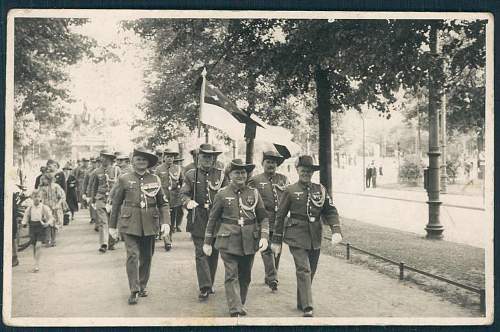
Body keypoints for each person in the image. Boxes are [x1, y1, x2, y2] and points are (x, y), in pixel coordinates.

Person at [271, 155, 342, 317]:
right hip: (296, 234)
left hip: (315, 235)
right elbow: (280, 216)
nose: (306, 174)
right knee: (304, 269)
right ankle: (308, 306)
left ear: (312, 172)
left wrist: (336, 230)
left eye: (309, 171)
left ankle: (301, 300)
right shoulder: (290, 190)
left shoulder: (320, 189)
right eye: (303, 170)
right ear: (297, 170)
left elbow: (330, 210)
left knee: (311, 270)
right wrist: (276, 240)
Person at [203, 159, 269, 317]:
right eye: (237, 172)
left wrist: (264, 236)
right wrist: (207, 242)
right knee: (231, 274)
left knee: (245, 275)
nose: (240, 175)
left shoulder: (253, 193)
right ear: (229, 174)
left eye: (243, 172)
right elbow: (212, 219)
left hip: (249, 240)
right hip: (228, 240)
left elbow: (263, 217)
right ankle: (235, 308)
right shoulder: (222, 193)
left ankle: (240, 303)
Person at [109, 147, 171, 305]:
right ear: (133, 161)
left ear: (149, 162)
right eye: (138, 159)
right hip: (129, 222)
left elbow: (163, 203)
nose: (141, 162)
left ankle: (142, 284)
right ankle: (134, 289)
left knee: (147, 256)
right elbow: (116, 204)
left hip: (150, 222)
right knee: (132, 255)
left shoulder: (155, 179)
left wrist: (166, 222)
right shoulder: (124, 178)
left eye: (144, 159)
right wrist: (112, 226)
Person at [180, 143, 227, 301]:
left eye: (210, 157)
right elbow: (183, 193)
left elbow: (228, 193)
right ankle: (205, 286)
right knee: (201, 252)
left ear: (214, 158)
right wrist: (188, 202)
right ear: (199, 157)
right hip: (198, 218)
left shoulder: (221, 174)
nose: (207, 159)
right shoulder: (191, 175)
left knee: (213, 252)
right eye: (204, 156)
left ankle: (210, 282)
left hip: (217, 220)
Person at [248, 150, 289, 292]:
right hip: (264, 219)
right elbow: (249, 200)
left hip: (280, 220)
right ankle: (273, 278)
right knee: (266, 249)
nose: (271, 165)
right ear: (262, 163)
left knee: (277, 248)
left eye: (273, 162)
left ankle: (270, 275)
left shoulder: (283, 179)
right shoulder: (255, 180)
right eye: (268, 162)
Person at [88, 150, 121, 252]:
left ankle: (111, 242)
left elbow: (121, 185)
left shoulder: (116, 170)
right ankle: (104, 244)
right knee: (103, 222)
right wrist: (92, 200)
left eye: (105, 157)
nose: (102, 159)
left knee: (113, 221)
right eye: (102, 157)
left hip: (113, 200)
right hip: (100, 198)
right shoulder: (96, 172)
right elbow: (93, 186)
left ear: (110, 159)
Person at [156, 148, 184, 251]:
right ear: (164, 157)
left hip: (174, 198)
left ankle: (169, 236)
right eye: (168, 157)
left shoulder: (178, 168)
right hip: (163, 197)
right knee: (164, 218)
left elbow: (182, 182)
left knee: (172, 220)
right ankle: (166, 240)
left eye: (172, 157)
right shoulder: (159, 169)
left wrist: (182, 193)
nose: (170, 159)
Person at [21, 190, 53, 272]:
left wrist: (48, 223)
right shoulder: (30, 208)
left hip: (41, 227)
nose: (36, 199)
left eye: (38, 197)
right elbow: (26, 216)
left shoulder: (44, 207)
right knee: (34, 246)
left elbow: (51, 217)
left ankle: (36, 264)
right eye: (35, 197)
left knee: (38, 245)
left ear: (41, 198)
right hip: (32, 227)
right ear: (32, 198)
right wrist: (24, 223)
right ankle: (35, 261)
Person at [38, 173, 66, 247]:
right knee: (46, 224)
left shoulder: (56, 187)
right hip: (45, 208)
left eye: (44, 179)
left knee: (54, 225)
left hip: (55, 208)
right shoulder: (42, 188)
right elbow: (39, 198)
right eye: (42, 179)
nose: (43, 181)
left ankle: (53, 240)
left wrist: (57, 205)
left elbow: (62, 197)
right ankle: (47, 240)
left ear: (49, 179)